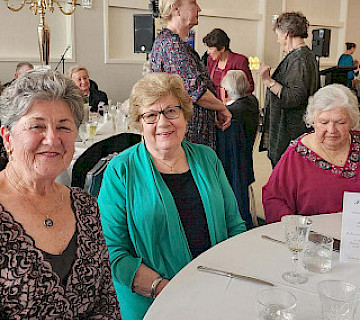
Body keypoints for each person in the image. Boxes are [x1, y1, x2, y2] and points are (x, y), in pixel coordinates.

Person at [98, 72, 247, 320]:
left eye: (171, 111)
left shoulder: (207, 158)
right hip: (152, 303)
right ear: (139, 122)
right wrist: (165, 290)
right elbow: (112, 251)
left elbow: (235, 225)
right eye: (151, 115)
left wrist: (231, 277)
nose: (163, 122)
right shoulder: (120, 171)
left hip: (215, 290)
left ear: (185, 115)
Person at [0, 70, 120, 319]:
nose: (52, 139)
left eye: (64, 126)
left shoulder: (86, 207)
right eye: (37, 126)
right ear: (8, 138)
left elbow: (106, 302)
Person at [263, 84, 360, 224]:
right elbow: (274, 198)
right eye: (324, 122)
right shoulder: (296, 155)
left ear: (352, 121)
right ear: (313, 121)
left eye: (340, 122)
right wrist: (296, 229)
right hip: (313, 239)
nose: (332, 130)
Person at [150, 0, 232, 150]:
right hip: (189, 139)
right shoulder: (172, 46)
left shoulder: (172, 43)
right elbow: (196, 92)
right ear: (176, 9)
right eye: (193, 2)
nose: (199, 8)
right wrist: (222, 108)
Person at [259, 11, 319, 168]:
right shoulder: (301, 56)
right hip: (291, 133)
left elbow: (293, 97)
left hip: (289, 134)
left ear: (286, 34)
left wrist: (268, 81)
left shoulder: (299, 59)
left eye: (278, 35)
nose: (277, 40)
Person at [221, 69, 259, 186]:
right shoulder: (252, 101)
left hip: (233, 164)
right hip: (246, 157)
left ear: (226, 91)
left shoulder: (229, 113)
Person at [203, 28, 254, 102]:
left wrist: (231, 99)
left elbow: (249, 87)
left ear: (222, 48)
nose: (208, 52)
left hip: (233, 106)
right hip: (214, 104)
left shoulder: (240, 61)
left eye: (210, 48)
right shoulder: (210, 60)